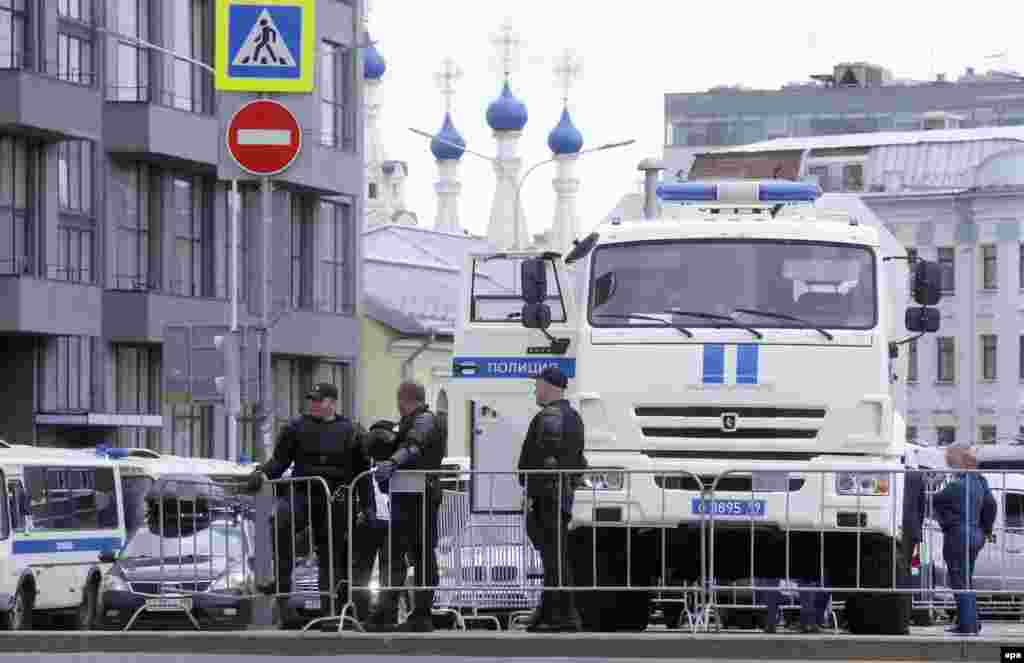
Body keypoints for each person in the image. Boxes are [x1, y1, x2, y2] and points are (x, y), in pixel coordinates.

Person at [247, 382, 370, 628]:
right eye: (311, 399)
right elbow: (279, 462)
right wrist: (261, 473)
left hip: (334, 497)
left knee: (330, 553)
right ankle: (283, 598)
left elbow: (362, 472)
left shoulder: (352, 431)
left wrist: (367, 506)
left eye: (318, 400)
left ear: (332, 403)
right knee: (282, 520)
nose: (313, 404)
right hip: (302, 493)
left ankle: (329, 611)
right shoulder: (296, 428)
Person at [365, 382, 446, 632]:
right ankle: (390, 613)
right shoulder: (414, 421)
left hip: (419, 497)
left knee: (419, 555)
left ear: (403, 399)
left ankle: (419, 614)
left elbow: (414, 445)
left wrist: (391, 462)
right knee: (400, 554)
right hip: (408, 496)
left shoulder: (424, 420)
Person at [517, 366, 586, 632]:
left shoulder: (550, 416)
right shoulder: (574, 417)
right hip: (562, 496)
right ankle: (549, 613)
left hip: (548, 496)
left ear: (549, 386)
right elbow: (579, 462)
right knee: (555, 557)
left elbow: (544, 460)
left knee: (554, 558)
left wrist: (532, 492)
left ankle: (561, 616)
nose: (535, 389)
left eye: (538, 385)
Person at [933, 444, 996, 635]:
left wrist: (933, 486)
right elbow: (991, 505)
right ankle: (971, 623)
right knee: (966, 580)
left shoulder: (955, 486)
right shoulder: (980, 481)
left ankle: (967, 625)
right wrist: (985, 529)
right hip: (976, 534)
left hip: (958, 536)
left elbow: (934, 500)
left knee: (959, 581)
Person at [350, 420, 401, 623]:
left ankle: (380, 614)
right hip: (373, 520)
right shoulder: (366, 459)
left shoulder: (392, 460)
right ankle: (371, 614)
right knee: (368, 571)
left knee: (374, 571)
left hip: (384, 521)